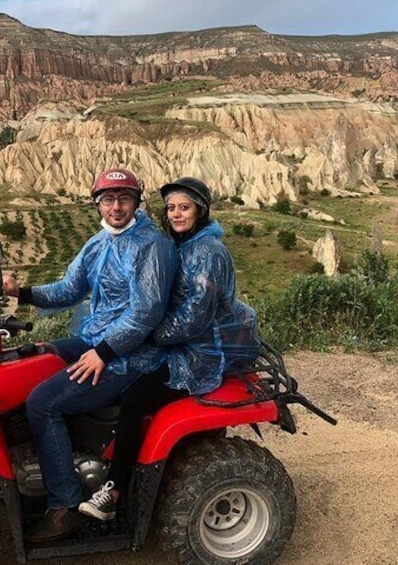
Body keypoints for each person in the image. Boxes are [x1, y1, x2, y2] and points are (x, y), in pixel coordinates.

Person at [2, 168, 177, 542]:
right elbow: (69, 289)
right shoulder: (99, 243)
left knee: (42, 402)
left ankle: (63, 506)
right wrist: (23, 293)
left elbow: (146, 313)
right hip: (95, 341)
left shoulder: (152, 246)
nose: (116, 207)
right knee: (30, 361)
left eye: (124, 199)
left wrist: (103, 351)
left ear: (136, 202)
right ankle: (38, 457)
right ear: (98, 204)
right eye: (109, 200)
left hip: (132, 356)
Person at [78, 176, 261, 521]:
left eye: (185, 207)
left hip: (199, 355)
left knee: (133, 398)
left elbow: (194, 317)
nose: (177, 214)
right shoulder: (183, 244)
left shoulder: (208, 252)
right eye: (172, 208)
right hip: (177, 344)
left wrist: (146, 334)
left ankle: (113, 490)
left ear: (201, 211)